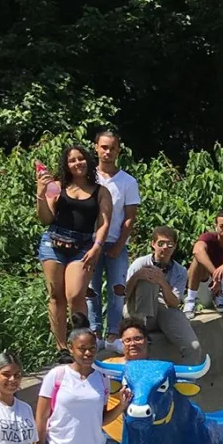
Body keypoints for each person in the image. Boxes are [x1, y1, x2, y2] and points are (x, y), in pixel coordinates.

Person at [33, 144, 113, 361]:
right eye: (72, 160)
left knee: (75, 294)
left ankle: (82, 344)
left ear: (88, 160)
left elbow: (104, 223)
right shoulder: (57, 187)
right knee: (56, 296)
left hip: (84, 245)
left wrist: (97, 247)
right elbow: (46, 219)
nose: (78, 163)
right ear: (66, 165)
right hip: (53, 242)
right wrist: (41, 195)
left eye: (81, 158)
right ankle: (62, 348)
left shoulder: (101, 191)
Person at [122, 226, 203, 364]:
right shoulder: (140, 263)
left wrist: (162, 282)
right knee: (148, 278)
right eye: (161, 243)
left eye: (169, 244)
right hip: (137, 312)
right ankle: (142, 334)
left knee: (193, 347)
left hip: (164, 310)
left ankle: (186, 376)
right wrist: (136, 277)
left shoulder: (180, 271)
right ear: (153, 244)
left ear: (175, 246)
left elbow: (174, 303)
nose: (165, 248)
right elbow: (124, 296)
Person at [89, 130, 141, 340]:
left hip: (115, 242)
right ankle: (94, 333)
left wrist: (120, 244)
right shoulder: (87, 177)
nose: (108, 152)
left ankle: (113, 334)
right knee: (90, 290)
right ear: (96, 148)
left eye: (112, 148)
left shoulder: (128, 181)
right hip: (89, 243)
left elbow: (130, 217)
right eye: (104, 147)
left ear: (118, 151)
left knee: (117, 290)